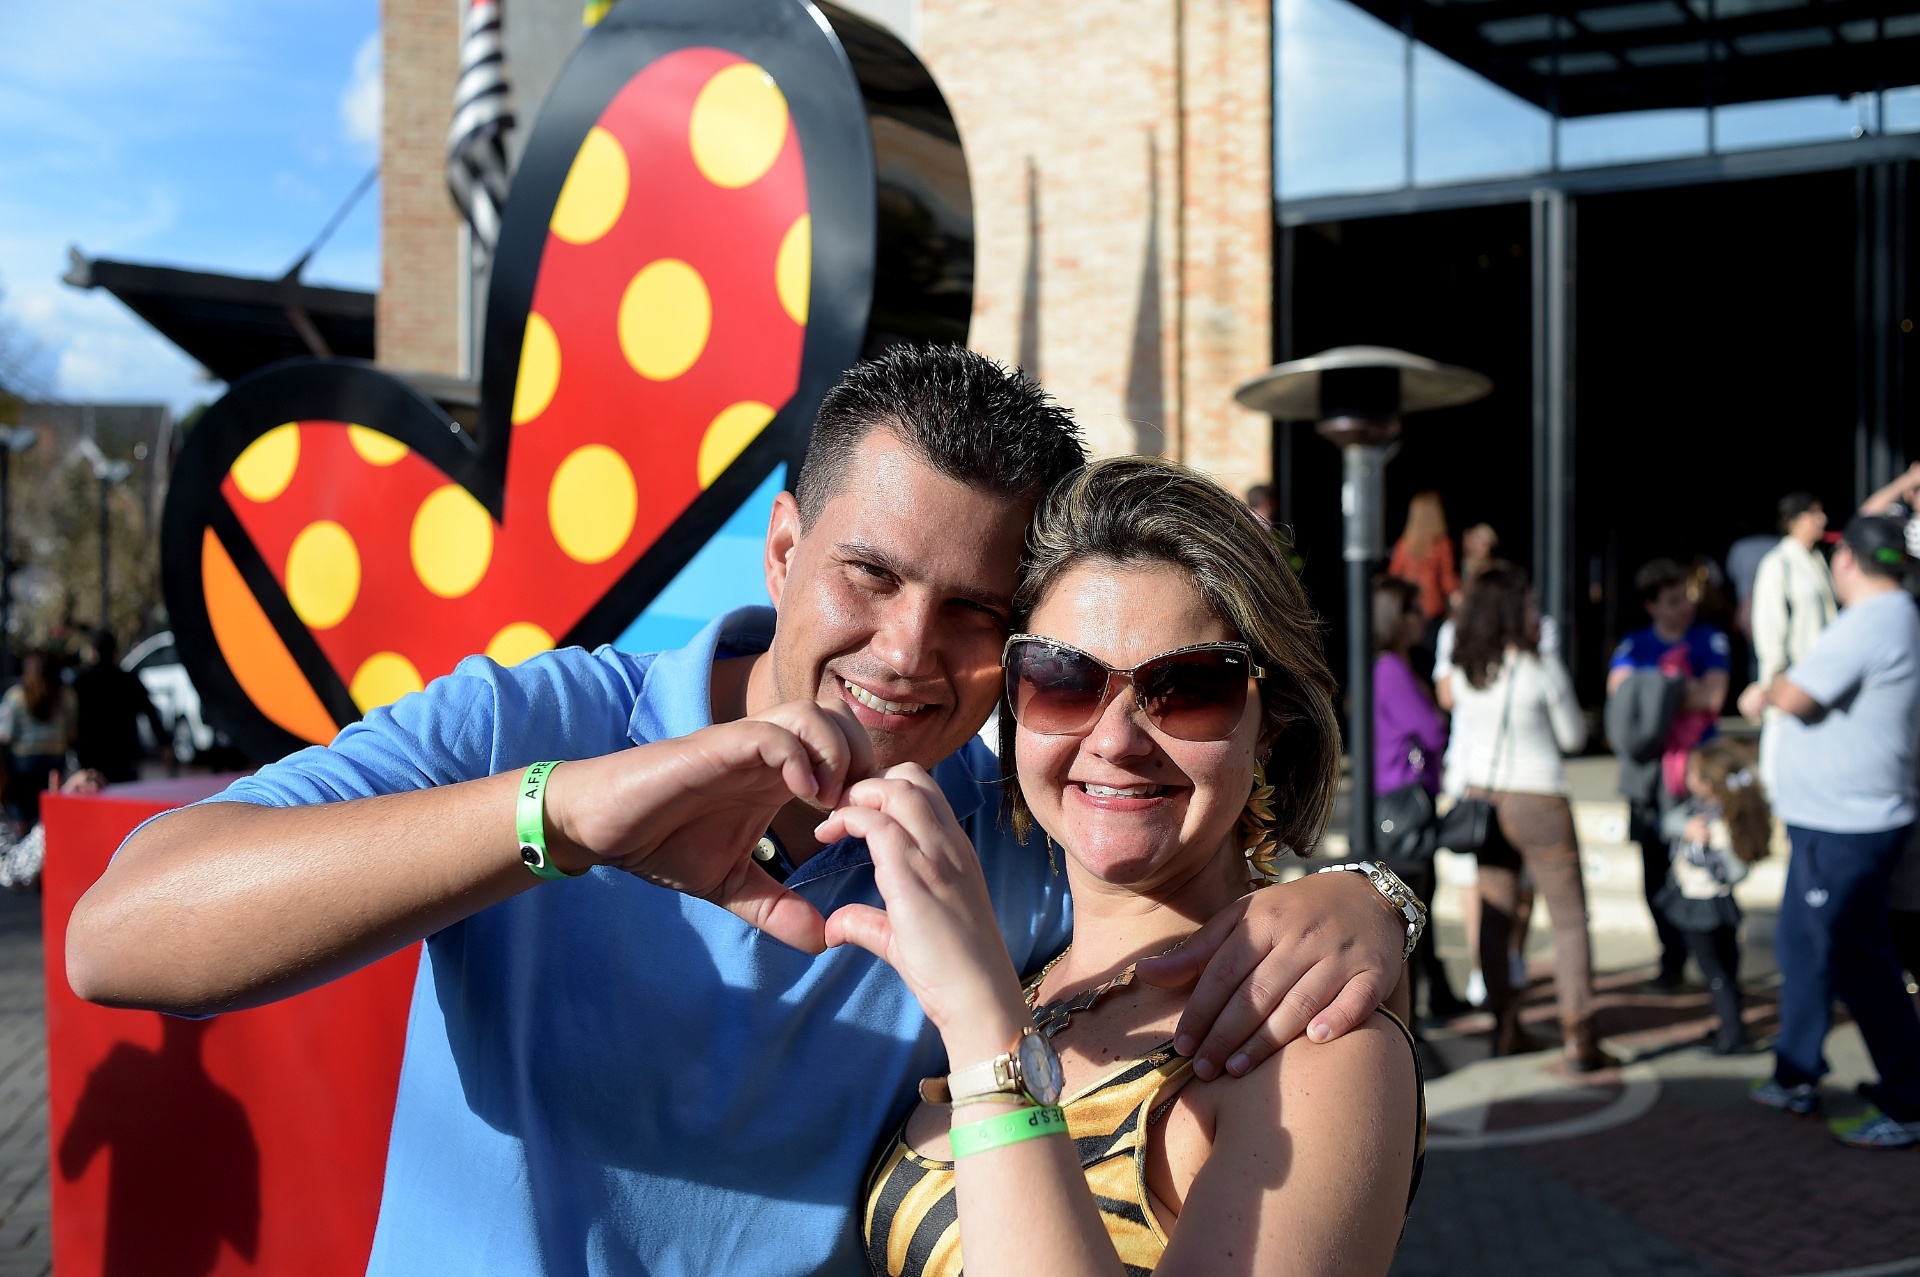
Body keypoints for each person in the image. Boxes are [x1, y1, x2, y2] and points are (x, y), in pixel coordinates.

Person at [67, 346, 1412, 1274]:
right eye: (866, 576)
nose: (905, 648)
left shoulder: (989, 829)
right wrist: (569, 820)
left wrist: (1369, 900)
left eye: (975, 616)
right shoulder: (538, 726)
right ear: (782, 548)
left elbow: (1168, 853)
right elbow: (118, 937)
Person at [853, 458, 1423, 1276]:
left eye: (1187, 687)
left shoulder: (1316, 1049)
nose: (1116, 739)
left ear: (1272, 724)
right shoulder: (1034, 976)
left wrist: (988, 1048)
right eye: (1062, 678)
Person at [1739, 514, 1920, 1149]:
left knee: (1855, 958)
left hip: (1850, 823)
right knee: (1801, 947)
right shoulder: (1893, 612)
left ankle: (1908, 1097)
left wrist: (1765, 690)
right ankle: (1796, 1072)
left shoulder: (1875, 618)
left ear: (1847, 564)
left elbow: (1795, 696)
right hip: (1835, 819)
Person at [1446, 565, 1614, 1069]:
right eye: (1529, 605)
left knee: (1495, 917)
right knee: (1568, 920)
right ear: (1513, 611)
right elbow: (1572, 738)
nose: (1536, 614)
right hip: (1539, 797)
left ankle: (1506, 1025)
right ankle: (1579, 1034)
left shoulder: (1466, 669)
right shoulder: (1538, 668)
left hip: (1486, 799)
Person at [1607, 559, 1731, 990]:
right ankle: (1672, 956)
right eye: (1673, 601)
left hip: (1698, 775)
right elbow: (1619, 701)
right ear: (1652, 606)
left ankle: (1716, 965)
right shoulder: (1633, 644)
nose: (1684, 609)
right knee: (1655, 872)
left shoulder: (1709, 638)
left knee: (1705, 864)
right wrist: (1678, 688)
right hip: (1651, 780)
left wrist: (1654, 693)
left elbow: (1713, 696)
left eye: (1687, 599)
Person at [1374, 575, 1466, 1019]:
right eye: (1414, 610)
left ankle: (1437, 996)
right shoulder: (1391, 668)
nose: (1422, 619)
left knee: (1417, 907)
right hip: (1402, 802)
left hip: (1399, 798)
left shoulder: (1390, 665)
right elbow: (1431, 729)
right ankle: (1424, 1006)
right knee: (1413, 909)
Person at [1657, 741, 1769, 1055]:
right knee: (1723, 971)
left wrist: (1714, 852)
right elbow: (1666, 823)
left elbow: (1737, 869)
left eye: (1692, 773)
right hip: (1699, 902)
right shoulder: (1696, 811)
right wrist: (1688, 829)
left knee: (1719, 972)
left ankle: (1734, 1034)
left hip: (1708, 904)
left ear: (1708, 782)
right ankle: (1730, 1024)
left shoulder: (1726, 820)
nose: (1687, 777)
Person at [73, 630, 163, 784]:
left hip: (92, 756)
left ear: (94, 651)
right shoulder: (129, 680)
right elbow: (149, 710)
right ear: (115, 651)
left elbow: (73, 719)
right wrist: (164, 741)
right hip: (124, 755)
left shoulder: (82, 682)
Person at [0, 650, 77, 829]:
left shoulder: (16, 696)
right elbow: (72, 734)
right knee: (48, 819)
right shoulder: (67, 696)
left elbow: (6, 734)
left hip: (23, 764)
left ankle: (24, 851)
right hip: (55, 763)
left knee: (22, 819)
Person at [1388, 491, 1459, 625]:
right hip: (1433, 611)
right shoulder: (1442, 545)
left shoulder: (1403, 544)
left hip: (1408, 610)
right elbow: (1448, 580)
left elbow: (1394, 576)